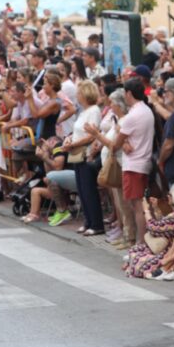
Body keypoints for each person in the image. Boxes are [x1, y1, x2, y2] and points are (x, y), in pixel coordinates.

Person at [87, 78, 154, 247]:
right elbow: (122, 142)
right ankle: (138, 241)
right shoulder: (146, 110)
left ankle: (139, 243)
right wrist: (123, 142)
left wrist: (97, 134)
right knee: (136, 205)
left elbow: (115, 145)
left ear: (129, 94)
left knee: (136, 206)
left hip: (133, 164)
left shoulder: (132, 116)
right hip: (141, 162)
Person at [64, 80, 104, 235]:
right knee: (81, 189)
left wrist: (73, 144)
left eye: (79, 93)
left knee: (89, 190)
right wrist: (69, 139)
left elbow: (91, 135)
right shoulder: (82, 111)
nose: (77, 96)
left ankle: (96, 223)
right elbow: (77, 131)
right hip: (76, 152)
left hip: (86, 153)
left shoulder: (94, 110)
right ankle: (88, 221)